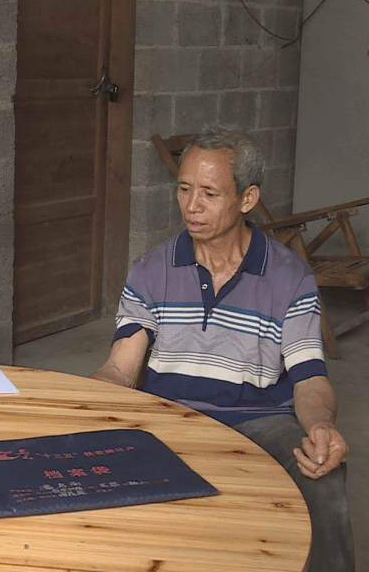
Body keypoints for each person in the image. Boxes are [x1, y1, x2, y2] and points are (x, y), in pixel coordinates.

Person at [91, 125, 354, 571]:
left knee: (321, 472)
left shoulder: (290, 278)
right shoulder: (151, 270)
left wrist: (322, 427)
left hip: (258, 423)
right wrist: (82, 401)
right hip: (171, 419)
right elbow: (121, 368)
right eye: (184, 189)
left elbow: (309, 379)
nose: (192, 206)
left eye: (210, 193)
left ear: (246, 199)